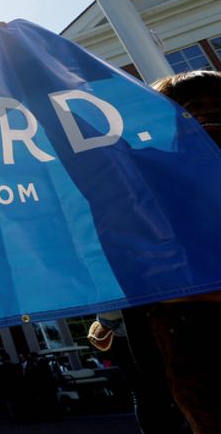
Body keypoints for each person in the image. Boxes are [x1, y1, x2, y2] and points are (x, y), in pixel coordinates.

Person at [90, 70, 221, 434]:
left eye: (217, 103)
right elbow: (127, 240)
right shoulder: (153, 170)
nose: (209, 112)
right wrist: (110, 317)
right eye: (193, 106)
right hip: (192, 328)